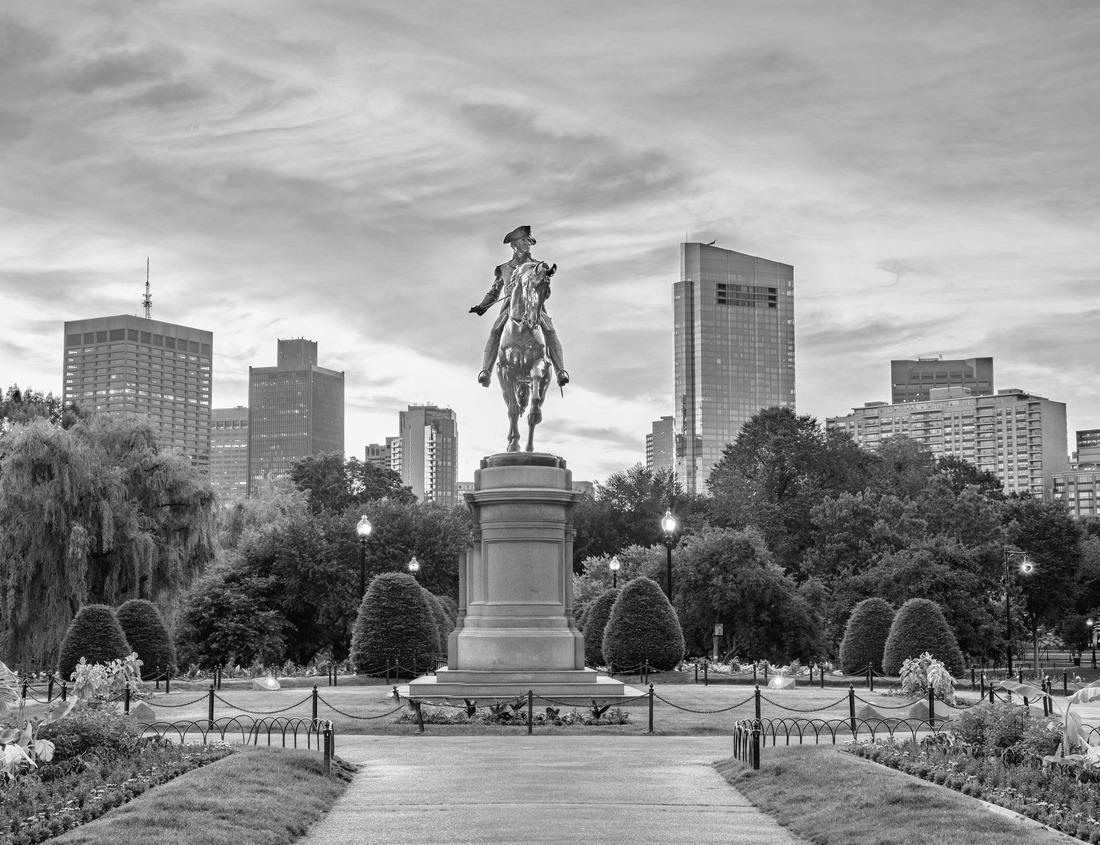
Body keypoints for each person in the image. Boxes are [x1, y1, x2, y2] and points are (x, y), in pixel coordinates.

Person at [469, 225, 569, 388]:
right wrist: (482, 306)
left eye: (529, 241)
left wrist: (544, 286)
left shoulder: (539, 266)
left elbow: (546, 293)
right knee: (495, 331)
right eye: (524, 240)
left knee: (550, 331)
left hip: (535, 308)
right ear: (514, 245)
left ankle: (561, 371)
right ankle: (486, 371)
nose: (528, 243)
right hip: (509, 309)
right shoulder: (504, 268)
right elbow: (494, 292)